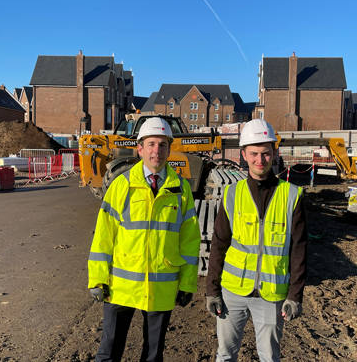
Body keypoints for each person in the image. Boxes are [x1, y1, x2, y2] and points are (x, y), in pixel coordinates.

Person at [88, 116, 201, 362]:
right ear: (139, 149)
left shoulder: (181, 190)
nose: (156, 151)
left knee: (152, 355)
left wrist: (187, 283)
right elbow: (104, 236)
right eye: (150, 144)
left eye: (162, 145)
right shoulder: (121, 186)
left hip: (161, 286)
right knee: (108, 352)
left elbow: (190, 240)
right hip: (122, 287)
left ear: (169, 149)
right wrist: (98, 279)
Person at [205, 119, 308, 362]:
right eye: (253, 153)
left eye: (265, 153)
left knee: (269, 357)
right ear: (243, 154)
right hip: (233, 293)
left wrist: (295, 295)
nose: (259, 160)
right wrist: (212, 290)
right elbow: (219, 243)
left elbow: (299, 249)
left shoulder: (291, 195)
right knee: (225, 354)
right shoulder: (232, 194)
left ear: (274, 153)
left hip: (271, 295)